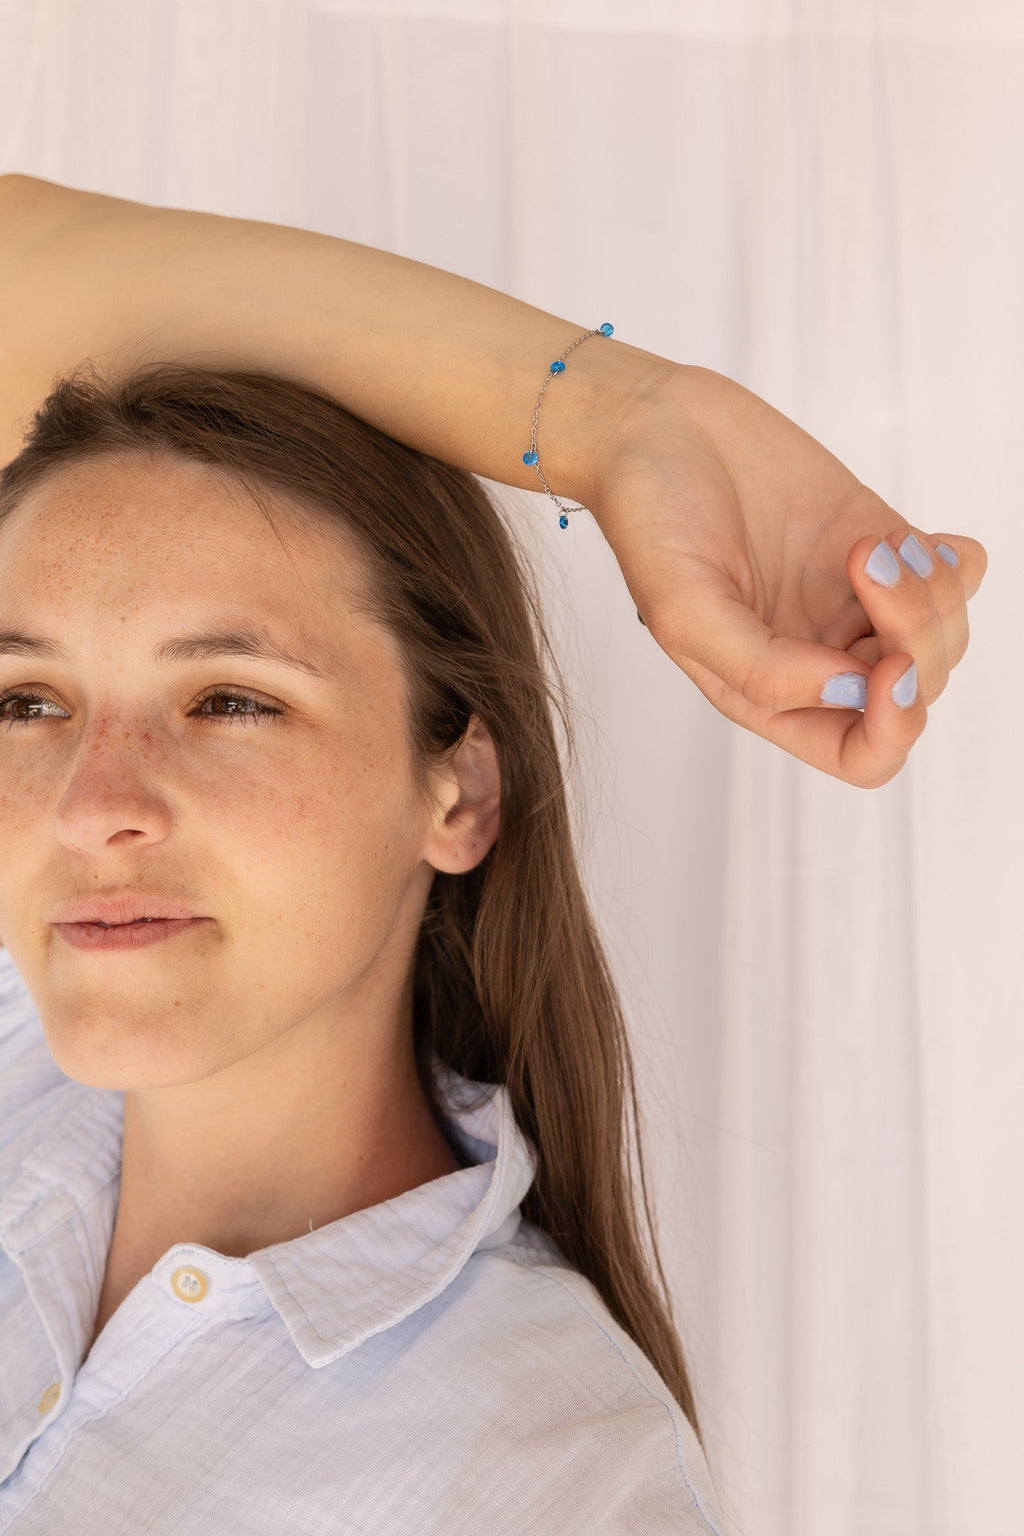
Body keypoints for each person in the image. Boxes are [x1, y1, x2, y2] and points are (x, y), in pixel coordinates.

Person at [0, 176, 987, 1533]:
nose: (89, 805)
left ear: (458, 791)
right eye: (28, 703)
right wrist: (615, 420)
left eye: (230, 699)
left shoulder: (555, 1482)